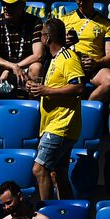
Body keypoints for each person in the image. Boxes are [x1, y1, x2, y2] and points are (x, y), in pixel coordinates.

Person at [26, 17, 86, 200]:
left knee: (40, 168)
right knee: (57, 174)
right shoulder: (53, 60)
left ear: (48, 38)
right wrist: (38, 90)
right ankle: (63, 212)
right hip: (53, 124)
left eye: (42, 35)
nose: (41, 38)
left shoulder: (68, 58)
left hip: (61, 125)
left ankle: (45, 212)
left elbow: (79, 87)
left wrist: (46, 89)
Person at [58, 0, 110, 102]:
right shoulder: (65, 20)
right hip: (70, 65)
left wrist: (96, 63)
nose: (80, 3)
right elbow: (51, 46)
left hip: (93, 67)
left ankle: (87, 108)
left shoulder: (106, 24)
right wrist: (63, 42)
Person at [0, 0, 45, 95]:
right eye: (4, 4)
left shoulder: (35, 22)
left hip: (26, 66)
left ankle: (33, 104)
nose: (6, 7)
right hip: (4, 66)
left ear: (22, 6)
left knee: (37, 68)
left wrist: (17, 67)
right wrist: (12, 67)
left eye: (10, 5)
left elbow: (38, 55)